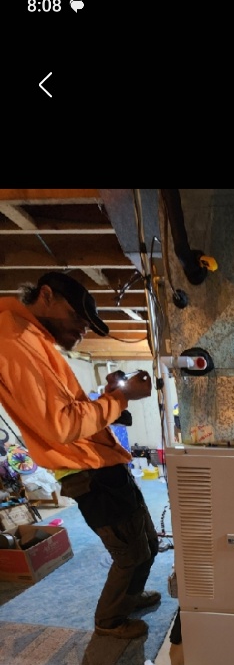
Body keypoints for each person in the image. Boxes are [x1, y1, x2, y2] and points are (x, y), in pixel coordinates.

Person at [0, 271, 160, 640]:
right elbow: (60, 425)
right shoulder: (15, 341)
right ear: (47, 295)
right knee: (130, 553)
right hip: (88, 474)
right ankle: (110, 621)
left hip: (103, 464)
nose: (82, 331)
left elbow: (67, 412)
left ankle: (128, 598)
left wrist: (108, 396)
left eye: (86, 325)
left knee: (147, 543)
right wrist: (121, 397)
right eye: (78, 318)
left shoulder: (33, 340)